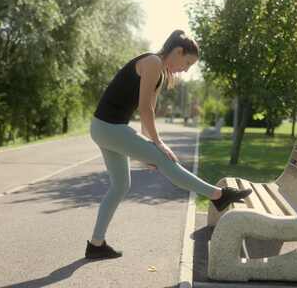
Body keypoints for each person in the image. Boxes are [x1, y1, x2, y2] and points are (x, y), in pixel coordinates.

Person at [85, 30, 252, 260]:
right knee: (164, 159)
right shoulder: (153, 62)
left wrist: (149, 150)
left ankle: (96, 244)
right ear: (178, 51)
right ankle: (218, 195)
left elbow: (147, 118)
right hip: (109, 127)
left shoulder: (160, 73)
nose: (185, 70)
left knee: (121, 185)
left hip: (103, 127)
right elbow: (145, 109)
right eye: (187, 63)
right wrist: (157, 145)